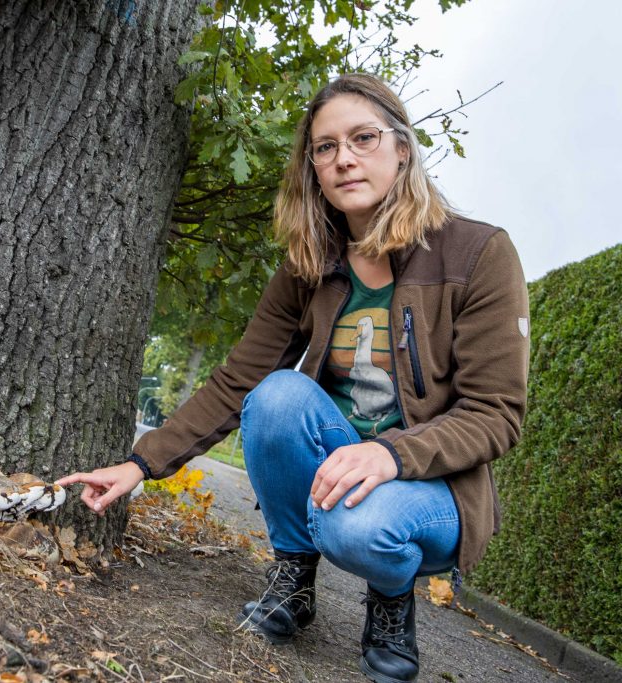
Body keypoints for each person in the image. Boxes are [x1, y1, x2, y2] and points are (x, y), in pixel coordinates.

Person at [57, 73, 529, 683]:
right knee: (276, 397)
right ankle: (294, 575)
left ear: (402, 148)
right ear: (312, 166)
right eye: (326, 147)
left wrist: (389, 454)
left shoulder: (478, 253)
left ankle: (390, 598)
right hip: (337, 458)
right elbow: (240, 379)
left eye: (363, 138)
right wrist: (141, 464)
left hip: (428, 488)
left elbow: (496, 413)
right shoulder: (310, 262)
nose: (344, 159)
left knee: (357, 527)